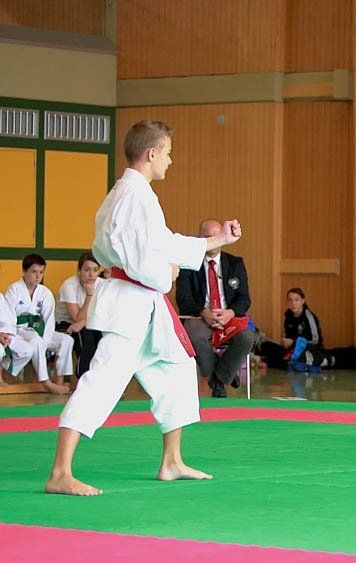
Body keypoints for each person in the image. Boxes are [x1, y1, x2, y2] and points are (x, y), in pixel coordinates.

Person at [45, 120, 243, 496]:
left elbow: (163, 242)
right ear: (152, 153)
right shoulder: (133, 196)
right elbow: (140, 257)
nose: (170, 160)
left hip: (145, 303)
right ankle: (60, 472)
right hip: (130, 301)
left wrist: (215, 240)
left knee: (177, 369)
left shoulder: (133, 194)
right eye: (167, 153)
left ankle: (172, 461)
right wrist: (167, 273)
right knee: (102, 381)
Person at [175, 219, 254, 398]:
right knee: (194, 336)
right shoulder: (188, 264)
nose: (212, 240)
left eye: (216, 236)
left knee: (247, 337)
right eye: (207, 236)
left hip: (229, 316)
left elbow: (244, 299)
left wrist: (230, 313)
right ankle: (223, 375)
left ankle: (218, 378)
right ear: (200, 238)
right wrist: (204, 313)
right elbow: (183, 299)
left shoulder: (235, 263)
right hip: (199, 316)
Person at [5, 254, 74, 394]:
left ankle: (59, 380)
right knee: (35, 340)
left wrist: (45, 341)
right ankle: (46, 382)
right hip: (19, 331)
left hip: (38, 330)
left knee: (66, 340)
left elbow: (49, 321)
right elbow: (8, 318)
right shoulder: (14, 290)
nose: (37, 276)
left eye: (41, 272)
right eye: (34, 271)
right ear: (24, 271)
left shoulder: (45, 293)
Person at [256, 288, 356, 371]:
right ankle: (267, 360)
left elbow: (316, 341)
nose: (293, 303)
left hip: (310, 351)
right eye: (290, 300)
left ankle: (269, 361)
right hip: (293, 351)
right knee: (266, 345)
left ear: (302, 301)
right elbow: (288, 338)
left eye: (296, 300)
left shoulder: (309, 317)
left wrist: (294, 342)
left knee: (291, 361)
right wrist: (286, 342)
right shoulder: (288, 317)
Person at [55, 252, 104, 378]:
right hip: (65, 323)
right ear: (79, 270)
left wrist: (84, 322)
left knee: (102, 336)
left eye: (95, 270)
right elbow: (76, 317)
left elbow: (104, 314)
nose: (91, 275)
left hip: (88, 322)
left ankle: (99, 377)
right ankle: (82, 377)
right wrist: (89, 295)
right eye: (87, 270)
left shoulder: (102, 284)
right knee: (87, 337)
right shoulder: (69, 285)